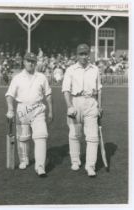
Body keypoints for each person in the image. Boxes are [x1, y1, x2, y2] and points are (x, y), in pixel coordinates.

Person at [5, 52, 53, 177]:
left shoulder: (41, 77)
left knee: (41, 136)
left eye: (33, 61)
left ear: (36, 63)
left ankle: (40, 166)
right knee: (23, 137)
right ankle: (24, 160)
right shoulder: (17, 78)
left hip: (38, 109)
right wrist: (10, 109)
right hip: (22, 108)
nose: (30, 63)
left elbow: (48, 95)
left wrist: (51, 111)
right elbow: (10, 95)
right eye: (28, 61)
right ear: (24, 62)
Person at [62, 44, 102, 177]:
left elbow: (99, 90)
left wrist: (100, 106)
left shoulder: (95, 69)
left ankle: (90, 166)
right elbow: (66, 90)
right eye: (81, 54)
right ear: (77, 55)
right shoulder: (71, 70)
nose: (84, 57)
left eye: (86, 54)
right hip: (76, 102)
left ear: (89, 55)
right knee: (75, 134)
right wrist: (69, 106)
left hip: (91, 103)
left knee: (93, 137)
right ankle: (75, 161)